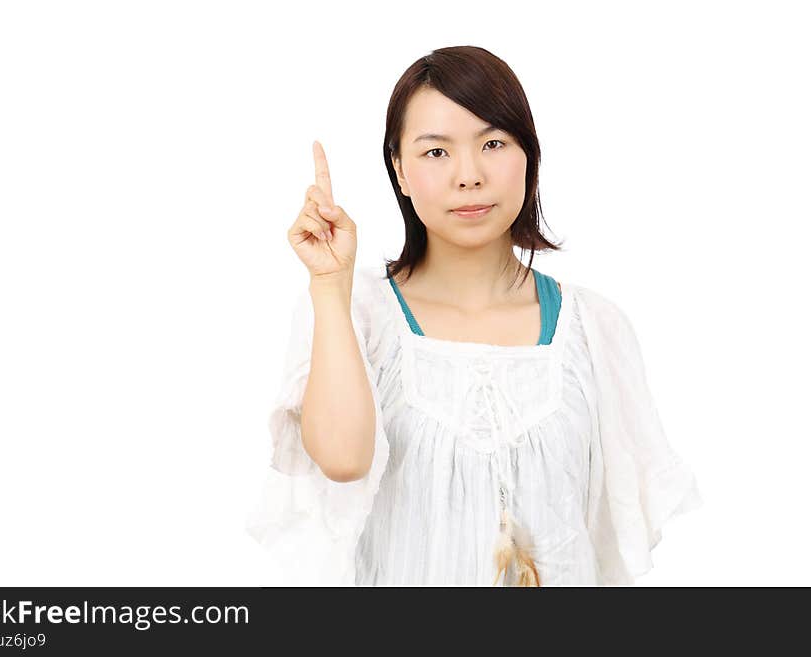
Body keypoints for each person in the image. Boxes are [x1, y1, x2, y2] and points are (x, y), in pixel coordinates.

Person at [245, 45, 703, 586]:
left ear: (529, 157)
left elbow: (607, 545)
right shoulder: (356, 312)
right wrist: (328, 282)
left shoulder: (594, 327)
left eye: (492, 143)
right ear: (400, 170)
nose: (469, 175)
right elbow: (344, 460)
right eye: (436, 152)